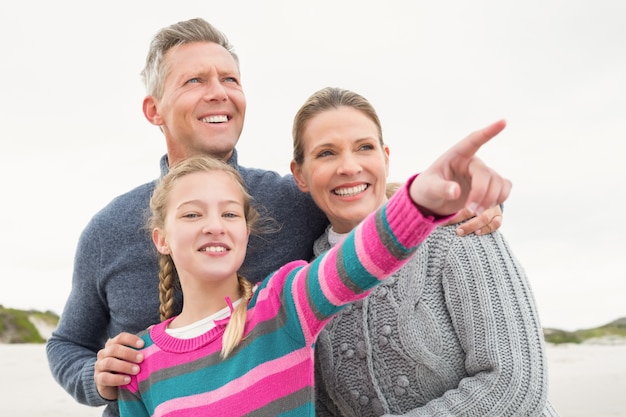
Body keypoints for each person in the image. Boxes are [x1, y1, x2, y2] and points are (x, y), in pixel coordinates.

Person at [45, 18, 502, 417]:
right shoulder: (108, 231)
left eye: (230, 79)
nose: (218, 92)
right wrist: (98, 377)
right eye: (195, 81)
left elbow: (367, 219)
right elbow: (65, 344)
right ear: (153, 110)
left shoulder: (289, 215)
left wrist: (450, 196)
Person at [117, 116, 511, 416]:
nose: (215, 226)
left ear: (246, 231)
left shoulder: (281, 307)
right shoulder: (138, 364)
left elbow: (361, 256)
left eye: (230, 214)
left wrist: (420, 200)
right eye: (191, 215)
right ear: (161, 239)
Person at [289, 87, 559, 416]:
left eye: (364, 147)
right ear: (299, 174)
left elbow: (515, 385)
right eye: (326, 153)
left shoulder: (457, 230)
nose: (349, 166)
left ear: (385, 157)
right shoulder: (305, 286)